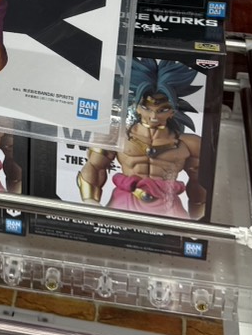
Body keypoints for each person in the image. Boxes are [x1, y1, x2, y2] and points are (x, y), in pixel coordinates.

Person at [77, 58, 204, 219]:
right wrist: (90, 202)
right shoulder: (115, 134)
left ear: (173, 110)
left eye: (162, 109)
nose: (153, 116)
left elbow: (199, 186)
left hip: (169, 208)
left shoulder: (189, 144)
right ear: (136, 107)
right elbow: (94, 167)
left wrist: (197, 220)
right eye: (146, 107)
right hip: (123, 204)